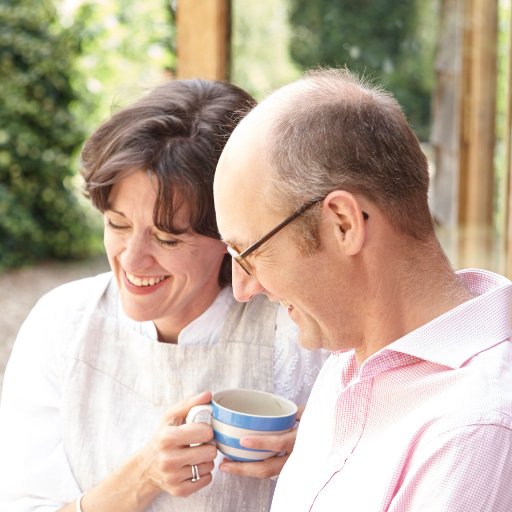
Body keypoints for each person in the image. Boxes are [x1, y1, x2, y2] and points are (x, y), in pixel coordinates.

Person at [0, 79, 327, 512]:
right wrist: (143, 477)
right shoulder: (63, 325)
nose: (133, 260)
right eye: (117, 224)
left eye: (167, 238)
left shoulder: (296, 334)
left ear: (230, 238)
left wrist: (323, 457)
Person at [213, 68, 512, 511]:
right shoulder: (349, 360)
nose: (242, 287)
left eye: (249, 253)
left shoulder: (473, 429)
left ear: (344, 224)